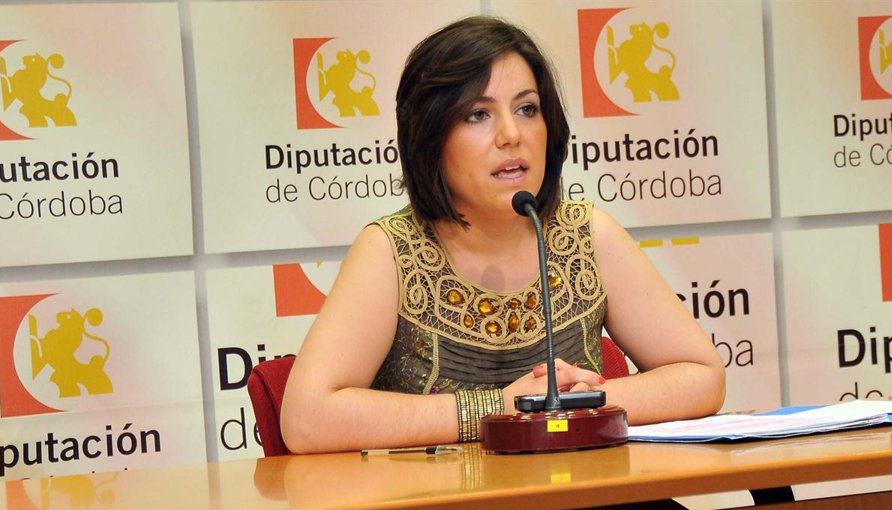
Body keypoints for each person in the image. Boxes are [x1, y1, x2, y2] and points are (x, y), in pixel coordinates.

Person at [281, 16, 724, 455]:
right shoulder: (392, 251)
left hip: (578, 492)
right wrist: (500, 409)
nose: (512, 135)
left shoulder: (584, 235)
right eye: (478, 114)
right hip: (437, 500)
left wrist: (579, 404)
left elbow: (703, 376)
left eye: (527, 109)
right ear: (430, 136)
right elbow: (307, 420)